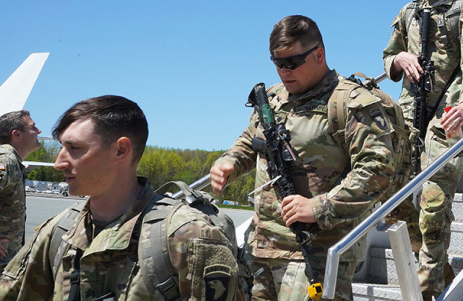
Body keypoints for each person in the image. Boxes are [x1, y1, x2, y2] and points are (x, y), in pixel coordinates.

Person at [211, 15, 396, 301]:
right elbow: (251, 140)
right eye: (277, 63)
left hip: (314, 253)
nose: (284, 71)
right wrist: (230, 161)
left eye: (292, 63)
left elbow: (378, 170)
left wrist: (320, 207)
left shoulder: (350, 102)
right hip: (259, 249)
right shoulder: (272, 99)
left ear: (318, 54)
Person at [0, 95, 243, 301]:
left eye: (74, 149)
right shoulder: (59, 231)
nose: (58, 163)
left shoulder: (189, 237)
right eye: (62, 148)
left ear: (120, 150)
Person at [382, 0, 463, 299]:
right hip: (410, 114)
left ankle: (429, 289)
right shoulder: (409, 12)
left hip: (449, 115)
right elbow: (390, 53)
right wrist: (399, 60)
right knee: (394, 204)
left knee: (432, 202)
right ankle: (439, 261)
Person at [0, 110, 40, 272]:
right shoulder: (6, 160)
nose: (39, 131)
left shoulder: (12, 161)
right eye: (33, 127)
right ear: (17, 134)